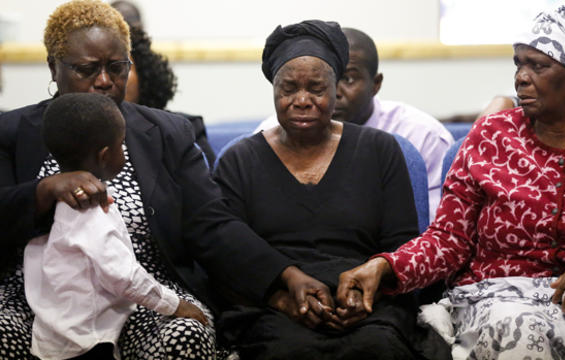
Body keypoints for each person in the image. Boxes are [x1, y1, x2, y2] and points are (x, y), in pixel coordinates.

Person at [0, 1, 333, 358]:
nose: (104, 81)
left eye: (117, 68)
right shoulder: (14, 132)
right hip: (40, 299)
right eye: (86, 69)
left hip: (145, 295)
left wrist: (284, 275)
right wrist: (42, 192)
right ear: (54, 66)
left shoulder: (167, 132)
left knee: (187, 335)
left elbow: (212, 225)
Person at [338, 4, 565, 359]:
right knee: (521, 332)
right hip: (499, 296)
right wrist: (386, 266)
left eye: (538, 66)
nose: (521, 77)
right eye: (518, 63)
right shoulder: (493, 136)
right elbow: (449, 239)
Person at [214, 20, 451, 360]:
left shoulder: (380, 150)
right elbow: (228, 259)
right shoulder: (240, 160)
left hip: (370, 306)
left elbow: (402, 248)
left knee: (379, 348)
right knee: (287, 352)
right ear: (273, 90)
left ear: (335, 89)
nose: (302, 100)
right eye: (288, 88)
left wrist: (368, 295)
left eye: (316, 88)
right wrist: (282, 300)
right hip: (275, 309)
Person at [24, 92, 207, 360]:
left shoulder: (61, 203)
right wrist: (176, 305)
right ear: (105, 155)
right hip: (84, 340)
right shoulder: (89, 215)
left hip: (57, 331)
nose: (125, 151)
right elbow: (124, 277)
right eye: (122, 144)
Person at [256, 27, 454, 221]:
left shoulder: (423, 136)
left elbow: (436, 229)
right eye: (322, 81)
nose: (333, 91)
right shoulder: (272, 132)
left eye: (348, 79)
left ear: (376, 84)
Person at [123, 25, 216, 168]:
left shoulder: (182, 130)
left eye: (119, 67)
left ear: (144, 73)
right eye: (90, 68)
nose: (104, 79)